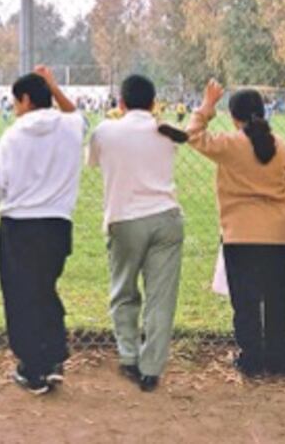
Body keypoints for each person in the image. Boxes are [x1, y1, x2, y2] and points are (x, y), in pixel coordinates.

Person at [0, 66, 84, 395]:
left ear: (25, 99)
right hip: (57, 223)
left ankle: (32, 367)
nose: (15, 108)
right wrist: (54, 86)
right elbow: (78, 116)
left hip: (19, 225)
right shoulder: (70, 126)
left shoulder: (14, 134)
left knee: (19, 296)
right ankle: (54, 356)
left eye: (16, 101)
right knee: (45, 289)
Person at [187, 80, 285, 378]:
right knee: (276, 301)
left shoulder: (231, 145)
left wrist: (207, 105)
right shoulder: (280, 146)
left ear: (234, 117)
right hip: (278, 234)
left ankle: (251, 360)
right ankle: (278, 360)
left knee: (245, 303)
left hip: (241, 234)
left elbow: (193, 135)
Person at [86, 74, 185, 392]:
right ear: (154, 102)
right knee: (161, 298)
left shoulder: (105, 131)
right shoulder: (166, 131)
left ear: (121, 102)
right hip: (166, 218)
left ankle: (129, 356)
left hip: (125, 218)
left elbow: (93, 163)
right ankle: (151, 368)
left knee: (123, 291)